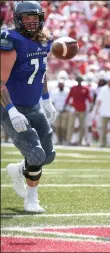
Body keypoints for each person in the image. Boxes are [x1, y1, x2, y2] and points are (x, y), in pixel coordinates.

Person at [1, 1, 57, 212]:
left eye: (35, 18)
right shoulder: (11, 40)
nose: (32, 22)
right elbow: (0, 81)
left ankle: (18, 170)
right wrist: (11, 111)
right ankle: (31, 200)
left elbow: (40, 71)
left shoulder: (45, 40)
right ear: (18, 19)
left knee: (48, 155)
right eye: (27, 18)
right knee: (35, 153)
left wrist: (46, 98)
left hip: (34, 105)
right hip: (10, 106)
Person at [64, 76, 92, 145]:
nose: (79, 82)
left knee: (82, 125)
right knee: (71, 125)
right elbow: (68, 97)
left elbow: (89, 99)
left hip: (82, 109)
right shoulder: (73, 88)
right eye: (78, 80)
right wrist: (65, 105)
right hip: (74, 108)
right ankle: (68, 140)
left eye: (80, 80)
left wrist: (91, 106)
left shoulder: (85, 89)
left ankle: (80, 141)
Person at [50, 79, 69, 145]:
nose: (61, 86)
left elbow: (69, 101)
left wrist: (66, 108)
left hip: (65, 111)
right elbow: (52, 102)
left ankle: (64, 140)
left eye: (62, 85)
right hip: (57, 111)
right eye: (60, 85)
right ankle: (58, 140)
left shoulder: (67, 91)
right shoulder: (54, 92)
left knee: (64, 127)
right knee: (57, 127)